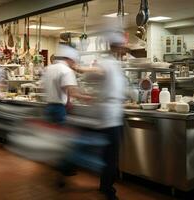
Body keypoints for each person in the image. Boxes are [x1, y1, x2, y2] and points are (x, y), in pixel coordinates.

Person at [72, 31, 126, 200]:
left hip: (113, 114)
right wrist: (77, 67)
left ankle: (105, 184)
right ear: (116, 46)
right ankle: (107, 189)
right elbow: (95, 71)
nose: (125, 48)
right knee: (110, 156)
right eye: (123, 45)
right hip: (108, 117)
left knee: (108, 155)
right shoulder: (108, 63)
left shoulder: (115, 63)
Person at [42, 44, 93, 124]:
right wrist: (86, 97)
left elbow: (61, 87)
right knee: (59, 134)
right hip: (58, 109)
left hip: (48, 107)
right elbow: (73, 92)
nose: (74, 63)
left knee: (49, 134)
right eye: (73, 60)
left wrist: (68, 100)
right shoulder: (66, 70)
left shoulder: (49, 69)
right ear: (69, 59)